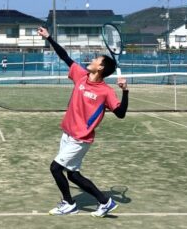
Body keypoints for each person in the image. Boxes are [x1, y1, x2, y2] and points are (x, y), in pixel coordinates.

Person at [37, 26, 129, 217]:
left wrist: (125, 91)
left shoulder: (106, 91)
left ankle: (69, 204)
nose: (92, 60)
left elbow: (120, 113)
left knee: (55, 168)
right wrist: (49, 38)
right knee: (73, 175)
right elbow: (64, 56)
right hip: (68, 133)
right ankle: (105, 202)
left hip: (80, 138)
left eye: (96, 60)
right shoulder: (81, 76)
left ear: (100, 68)